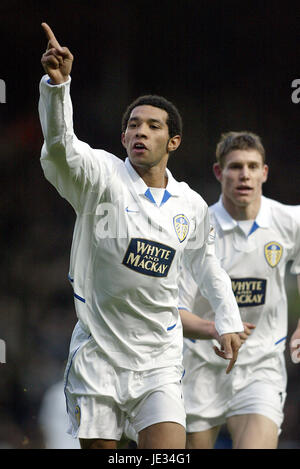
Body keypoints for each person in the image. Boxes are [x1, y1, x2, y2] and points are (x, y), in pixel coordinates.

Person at [38, 23, 244, 450]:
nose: (140, 132)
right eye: (133, 125)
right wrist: (58, 89)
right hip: (99, 352)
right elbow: (61, 147)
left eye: (152, 126)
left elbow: (207, 265)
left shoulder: (190, 205)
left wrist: (226, 321)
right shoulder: (98, 177)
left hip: (159, 358)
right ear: (122, 137)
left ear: (173, 141)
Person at [179, 131, 300, 449]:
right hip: (199, 367)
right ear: (219, 173)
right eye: (234, 167)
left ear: (264, 172)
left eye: (252, 166)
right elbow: (171, 312)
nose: (244, 174)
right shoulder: (196, 230)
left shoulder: (288, 221)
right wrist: (215, 328)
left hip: (261, 366)